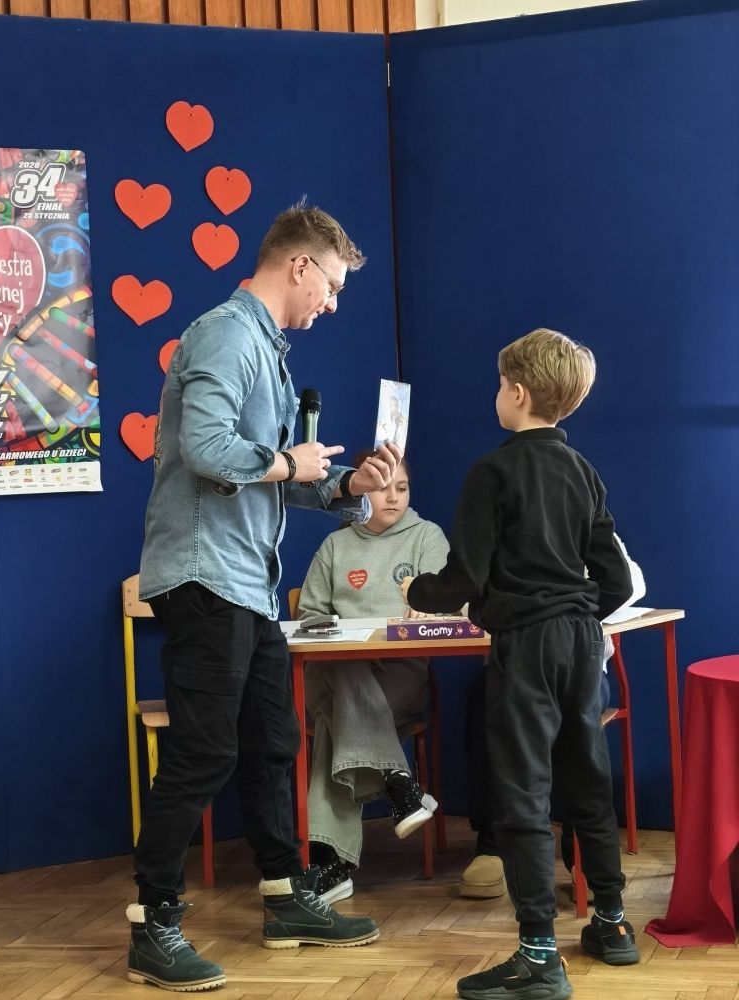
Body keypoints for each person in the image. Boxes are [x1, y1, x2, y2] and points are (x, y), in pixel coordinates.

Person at [126, 200, 402, 992]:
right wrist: (290, 463)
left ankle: (286, 897)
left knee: (273, 741)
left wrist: (346, 484)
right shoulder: (225, 334)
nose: (333, 303)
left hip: (248, 582)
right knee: (205, 750)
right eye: (333, 286)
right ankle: (152, 925)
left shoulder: (266, 351)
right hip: (202, 573)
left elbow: (276, 474)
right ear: (299, 265)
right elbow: (207, 449)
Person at [402, 328, 640, 1000]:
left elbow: (466, 576)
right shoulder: (582, 470)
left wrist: (418, 592)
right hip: (583, 643)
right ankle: (612, 926)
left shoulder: (492, 472)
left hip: (527, 647)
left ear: (517, 392)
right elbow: (617, 581)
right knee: (588, 783)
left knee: (524, 793)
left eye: (498, 386)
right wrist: (576, 610)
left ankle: (539, 955)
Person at [298, 452, 449, 903]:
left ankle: (331, 862)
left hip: (400, 673)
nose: (393, 497)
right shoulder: (335, 546)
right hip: (334, 671)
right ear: (362, 489)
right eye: (383, 488)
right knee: (345, 668)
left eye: (401, 487)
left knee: (334, 722)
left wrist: (432, 608)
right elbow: (308, 616)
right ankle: (399, 781)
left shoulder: (427, 537)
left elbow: (452, 603)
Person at [460, 541, 646, 901]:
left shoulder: (589, 524)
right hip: (512, 668)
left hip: (582, 665)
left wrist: (563, 601)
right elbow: (468, 595)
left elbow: (631, 582)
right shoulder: (499, 530)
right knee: (483, 702)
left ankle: (582, 850)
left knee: (575, 718)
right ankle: (492, 844)